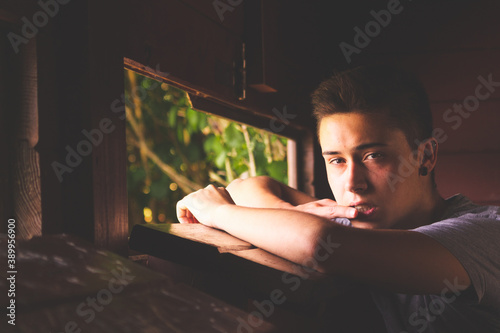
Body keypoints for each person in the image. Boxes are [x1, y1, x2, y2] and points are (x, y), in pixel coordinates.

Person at [176, 66, 500, 332]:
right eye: (337, 160)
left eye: (373, 156)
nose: (353, 184)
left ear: (426, 156)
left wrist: (215, 211)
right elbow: (251, 186)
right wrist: (292, 213)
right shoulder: (362, 223)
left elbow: (319, 245)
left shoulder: (484, 235)